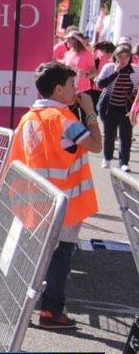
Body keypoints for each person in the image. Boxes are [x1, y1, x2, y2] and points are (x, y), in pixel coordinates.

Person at [10, 62, 101, 329]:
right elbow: (95, 145)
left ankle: (19, 309)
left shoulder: (28, 118)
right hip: (64, 205)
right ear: (59, 89)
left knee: (32, 259)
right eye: (73, 85)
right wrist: (90, 113)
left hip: (32, 203)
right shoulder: (65, 121)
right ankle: (51, 311)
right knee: (61, 258)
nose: (76, 90)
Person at [95, 44, 136, 172]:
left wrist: (135, 108)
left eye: (126, 57)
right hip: (109, 106)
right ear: (115, 57)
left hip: (126, 109)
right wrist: (115, 72)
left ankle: (124, 162)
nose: (123, 60)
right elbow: (100, 84)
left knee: (126, 135)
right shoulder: (109, 67)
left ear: (130, 58)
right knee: (109, 134)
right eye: (120, 57)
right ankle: (107, 158)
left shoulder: (136, 70)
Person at [60, 31, 97, 104]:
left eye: (68, 38)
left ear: (75, 40)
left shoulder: (87, 54)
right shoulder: (67, 54)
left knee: (84, 114)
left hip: (83, 91)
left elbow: (94, 72)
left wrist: (86, 75)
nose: (66, 40)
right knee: (70, 114)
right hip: (69, 90)